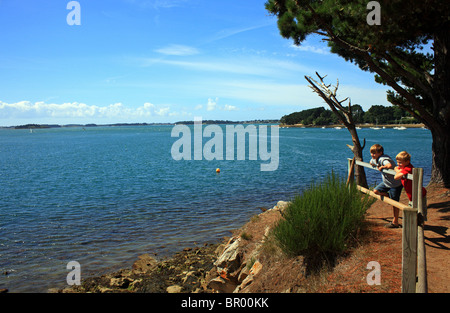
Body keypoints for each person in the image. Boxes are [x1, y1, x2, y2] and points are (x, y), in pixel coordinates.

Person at [369, 144, 403, 228]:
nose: (372, 155)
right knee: (376, 191)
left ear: (380, 153)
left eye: (374, 153)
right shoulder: (377, 159)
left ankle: (395, 222)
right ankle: (388, 195)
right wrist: (373, 162)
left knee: (395, 203)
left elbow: (389, 166)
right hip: (387, 182)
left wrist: (382, 167)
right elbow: (371, 162)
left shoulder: (383, 159)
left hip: (395, 183)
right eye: (371, 153)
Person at [394, 151, 427, 219]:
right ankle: (417, 225)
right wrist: (399, 170)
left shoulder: (408, 169)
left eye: (400, 162)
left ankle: (420, 226)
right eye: (397, 162)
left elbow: (396, 177)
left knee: (420, 212)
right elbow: (395, 168)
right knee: (413, 212)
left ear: (407, 162)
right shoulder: (404, 167)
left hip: (418, 194)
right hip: (412, 195)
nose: (398, 164)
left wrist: (399, 171)